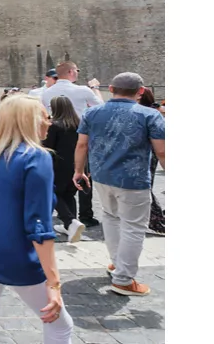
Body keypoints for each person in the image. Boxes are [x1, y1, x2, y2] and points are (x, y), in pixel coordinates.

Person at [0, 95, 74, 343]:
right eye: (45, 116)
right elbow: (40, 226)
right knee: (61, 324)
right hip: (17, 254)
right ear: (28, 120)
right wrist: (54, 282)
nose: (49, 122)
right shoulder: (36, 158)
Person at [73, 72, 165, 296]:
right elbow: (161, 150)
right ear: (141, 91)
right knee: (133, 227)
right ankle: (123, 279)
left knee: (111, 218)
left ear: (111, 89)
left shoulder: (92, 112)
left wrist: (78, 171)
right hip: (133, 180)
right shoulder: (149, 115)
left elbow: (82, 145)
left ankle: (117, 263)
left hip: (102, 177)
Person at [41, 61, 101, 229]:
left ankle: (69, 218)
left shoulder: (47, 93)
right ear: (71, 72)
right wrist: (95, 88)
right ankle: (85, 215)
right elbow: (100, 109)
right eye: (77, 70)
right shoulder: (82, 90)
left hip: (57, 138)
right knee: (83, 177)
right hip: (80, 134)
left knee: (61, 182)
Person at [43, 96, 86, 243]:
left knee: (54, 193)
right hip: (76, 164)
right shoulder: (79, 123)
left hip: (57, 165)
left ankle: (70, 222)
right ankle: (72, 224)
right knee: (69, 194)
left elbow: (48, 147)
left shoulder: (54, 125)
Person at [138, 88, 165, 235]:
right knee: (147, 186)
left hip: (149, 152)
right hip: (152, 152)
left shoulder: (149, 112)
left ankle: (156, 220)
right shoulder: (154, 110)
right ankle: (155, 219)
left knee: (146, 187)